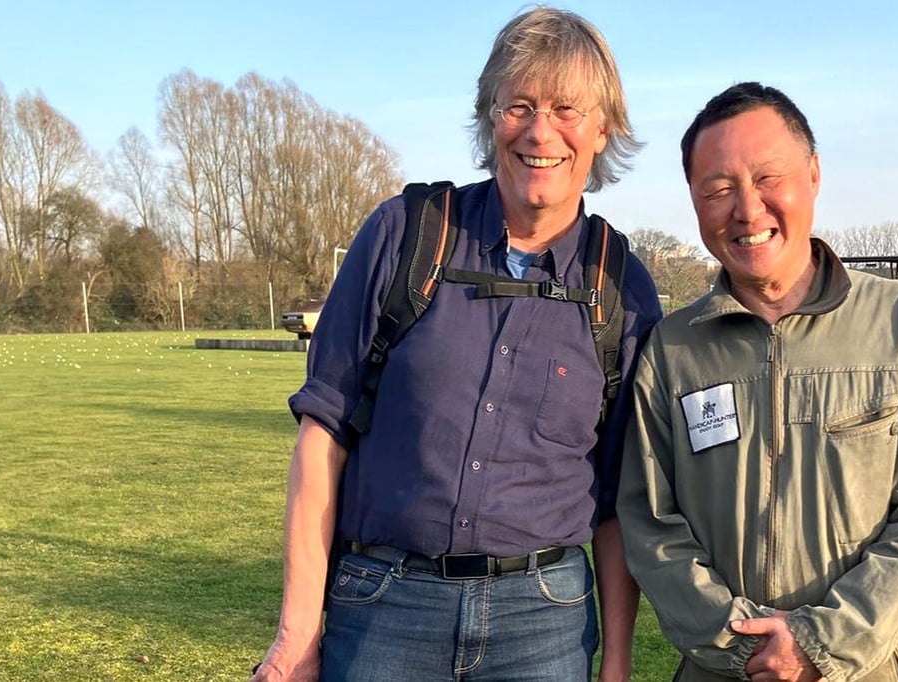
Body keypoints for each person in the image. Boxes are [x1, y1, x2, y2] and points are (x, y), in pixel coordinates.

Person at [251, 7, 662, 682]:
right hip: (385, 607)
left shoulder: (622, 287)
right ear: (487, 116)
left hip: (544, 621)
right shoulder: (404, 235)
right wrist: (297, 634)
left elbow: (619, 501)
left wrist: (615, 662)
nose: (540, 131)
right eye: (518, 105)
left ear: (601, 129)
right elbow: (321, 439)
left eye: (565, 108)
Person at [616, 82, 898, 682]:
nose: (748, 210)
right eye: (719, 188)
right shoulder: (672, 349)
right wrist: (743, 649)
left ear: (812, 174)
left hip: (863, 670)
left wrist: (820, 643)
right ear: (695, 201)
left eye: (767, 178)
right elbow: (651, 520)